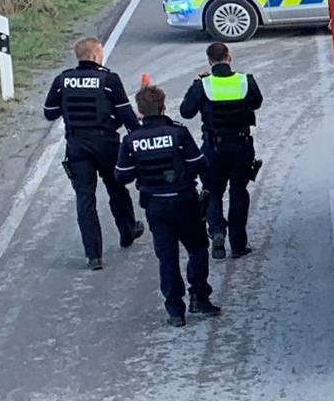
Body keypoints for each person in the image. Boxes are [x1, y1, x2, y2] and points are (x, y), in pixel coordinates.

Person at [112, 85, 216, 327]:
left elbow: (122, 176)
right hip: (184, 201)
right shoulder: (177, 133)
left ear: (139, 111)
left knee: (167, 258)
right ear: (163, 106)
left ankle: (175, 311)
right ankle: (199, 297)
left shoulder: (131, 140)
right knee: (198, 248)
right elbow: (199, 164)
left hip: (155, 206)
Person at [41, 36, 141, 270]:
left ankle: (93, 255)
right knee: (116, 188)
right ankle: (127, 231)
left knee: (85, 198)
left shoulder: (62, 80)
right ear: (96, 56)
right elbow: (127, 117)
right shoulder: (109, 79)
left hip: (77, 145)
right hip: (106, 143)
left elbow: (49, 113)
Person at [178, 41, 264, 258]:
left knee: (213, 191)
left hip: (213, 147)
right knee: (238, 190)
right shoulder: (245, 81)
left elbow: (186, 112)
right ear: (229, 57)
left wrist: (197, 84)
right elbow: (257, 103)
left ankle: (216, 231)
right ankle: (238, 244)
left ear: (209, 61)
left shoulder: (203, 85)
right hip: (241, 146)